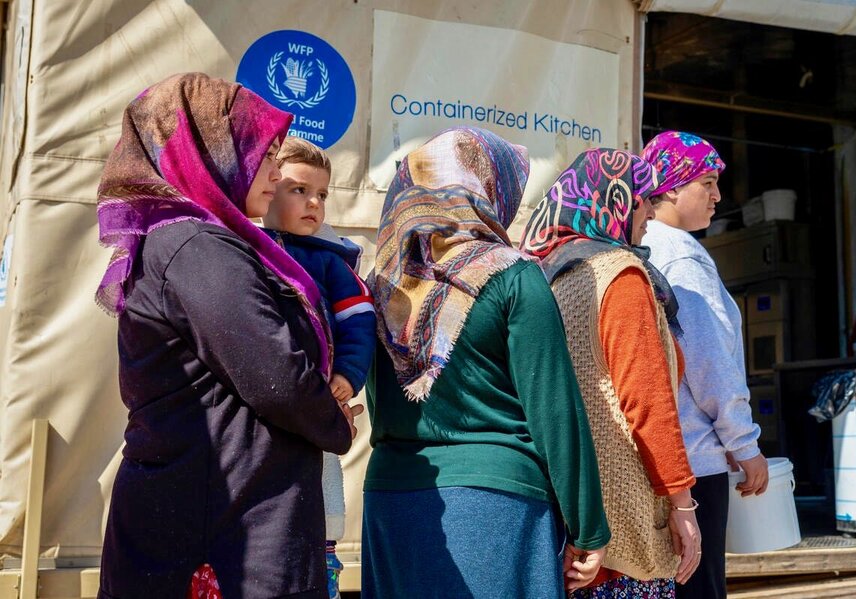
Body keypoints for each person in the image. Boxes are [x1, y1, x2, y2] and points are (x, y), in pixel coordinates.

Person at [94, 73, 362, 599]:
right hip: (219, 532)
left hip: (218, 518)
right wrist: (335, 422)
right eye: (260, 153)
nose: (272, 171)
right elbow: (275, 376)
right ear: (208, 155)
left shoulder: (195, 241)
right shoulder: (197, 247)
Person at [362, 127, 610, 598]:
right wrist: (589, 528)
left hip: (391, 502)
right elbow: (555, 410)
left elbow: (378, 398)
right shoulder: (512, 276)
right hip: (493, 506)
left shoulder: (381, 283)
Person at [520, 148, 701, 599]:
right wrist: (682, 504)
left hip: (567, 509)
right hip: (624, 511)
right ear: (618, 200)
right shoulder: (619, 275)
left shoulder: (546, 273)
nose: (649, 213)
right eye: (643, 200)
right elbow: (647, 402)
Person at [641, 131, 768, 599]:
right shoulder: (682, 257)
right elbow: (709, 363)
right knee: (699, 585)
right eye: (707, 182)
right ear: (671, 187)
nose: (717, 196)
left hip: (660, 457)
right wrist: (744, 441)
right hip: (695, 460)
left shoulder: (644, 245)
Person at [261, 137, 376, 599]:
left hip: (315, 407)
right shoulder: (241, 249)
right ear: (267, 189)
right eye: (298, 191)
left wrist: (347, 375)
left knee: (319, 508)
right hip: (262, 412)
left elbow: (359, 320)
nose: (313, 203)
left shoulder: (330, 261)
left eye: (322, 195)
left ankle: (319, 576)